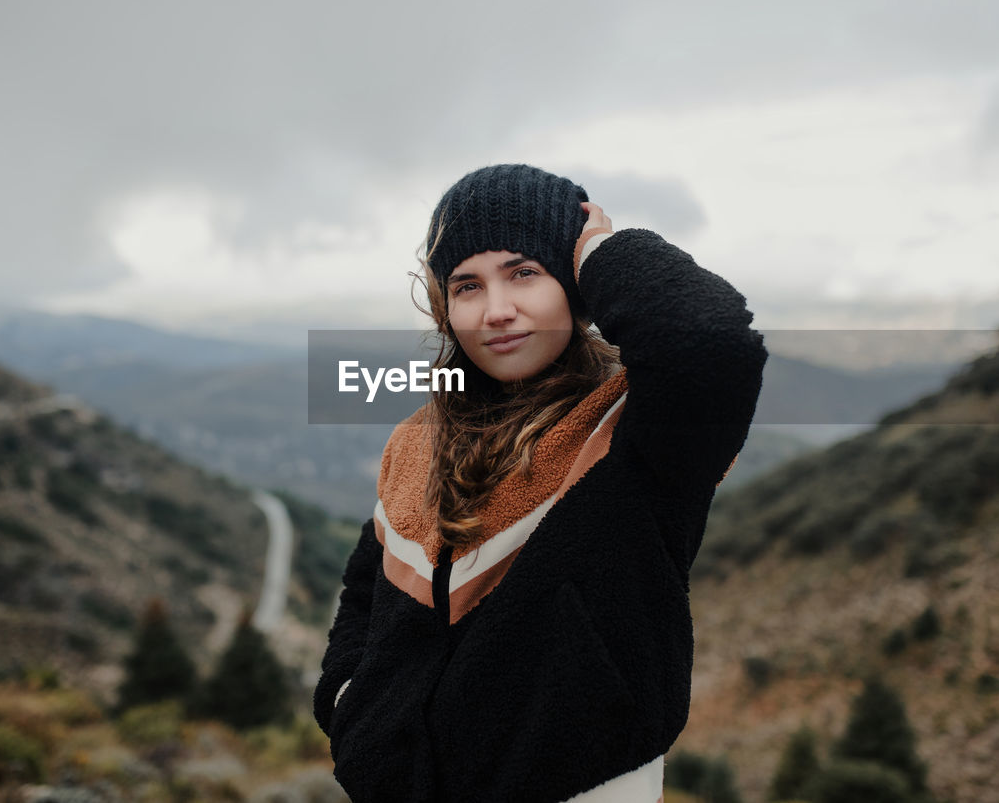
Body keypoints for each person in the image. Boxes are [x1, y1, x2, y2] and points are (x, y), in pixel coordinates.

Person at [313, 163, 768, 802]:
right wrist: (347, 699)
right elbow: (368, 587)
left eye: (525, 272)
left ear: (574, 284)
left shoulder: (633, 430)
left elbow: (708, 343)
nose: (497, 311)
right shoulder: (419, 436)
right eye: (467, 286)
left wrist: (606, 253)